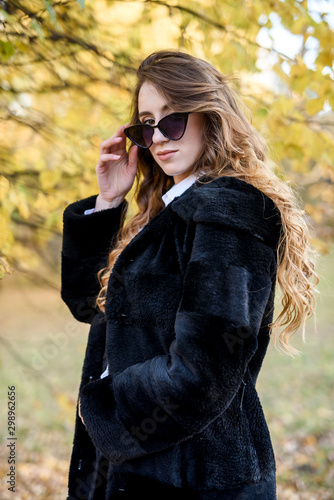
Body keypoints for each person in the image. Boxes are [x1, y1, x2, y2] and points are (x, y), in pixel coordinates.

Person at [61, 50, 318, 500]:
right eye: (146, 124)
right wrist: (107, 203)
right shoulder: (168, 213)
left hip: (194, 476)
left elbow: (203, 372)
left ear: (209, 116)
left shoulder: (229, 211)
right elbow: (90, 306)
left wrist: (103, 405)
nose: (158, 137)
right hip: (138, 464)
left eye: (172, 119)